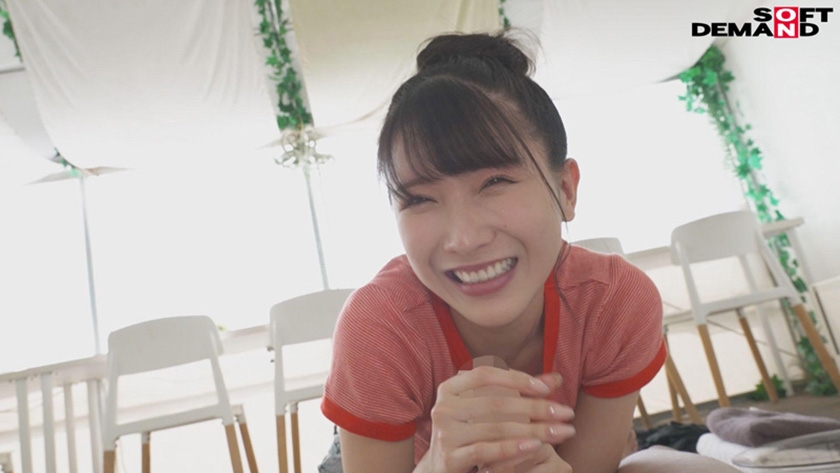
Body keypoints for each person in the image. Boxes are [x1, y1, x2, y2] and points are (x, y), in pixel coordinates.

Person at [321, 31, 739, 473]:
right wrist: (438, 463)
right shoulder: (381, 326)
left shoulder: (613, 302)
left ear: (565, 190)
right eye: (420, 199)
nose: (464, 239)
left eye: (495, 182)